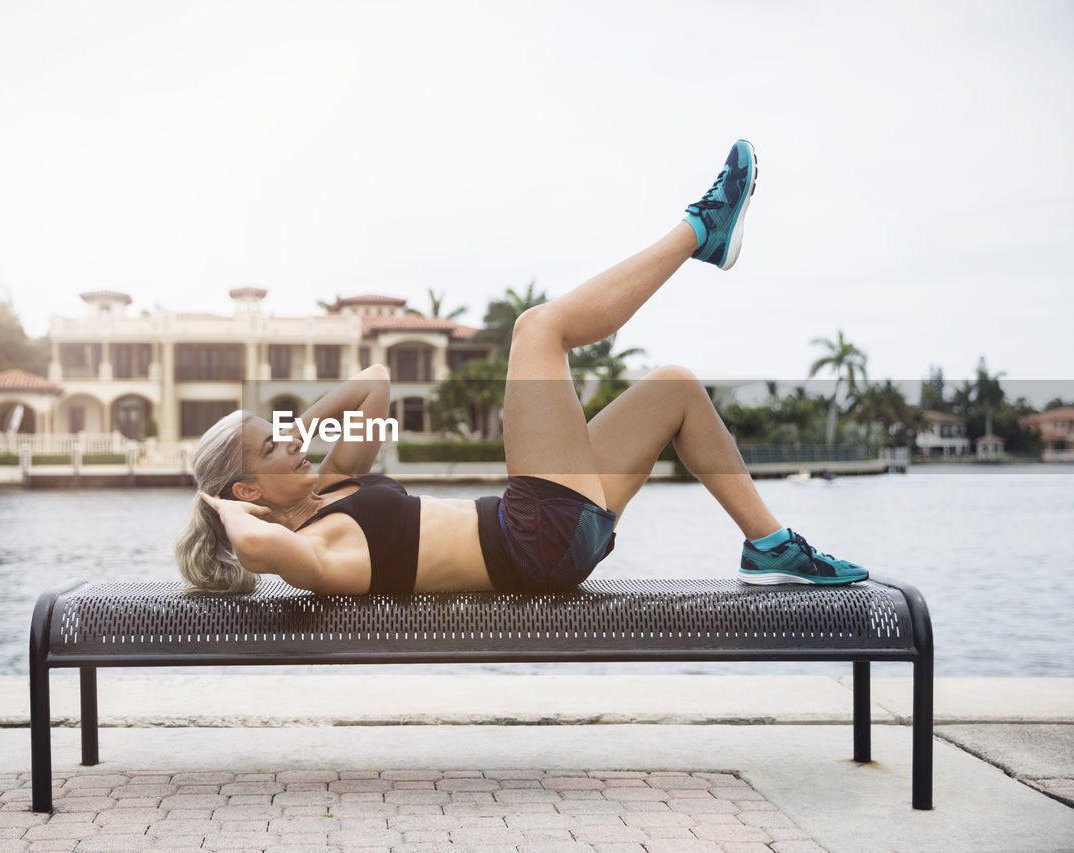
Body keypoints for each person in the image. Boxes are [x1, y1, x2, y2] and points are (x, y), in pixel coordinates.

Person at [177, 140, 869, 595]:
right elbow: (259, 548)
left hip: (552, 533)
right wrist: (213, 504)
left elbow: (377, 384)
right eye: (273, 446)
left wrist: (296, 428)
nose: (293, 443)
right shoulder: (316, 548)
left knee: (674, 389)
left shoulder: (331, 486)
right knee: (539, 328)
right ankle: (699, 229)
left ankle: (771, 544)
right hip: (533, 536)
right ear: (245, 492)